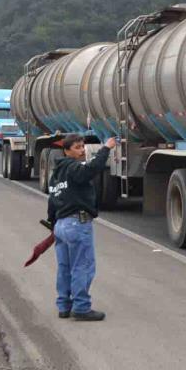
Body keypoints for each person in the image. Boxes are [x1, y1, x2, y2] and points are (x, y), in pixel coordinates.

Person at [47, 134, 116, 321]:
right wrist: (106, 148)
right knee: (82, 266)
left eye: (82, 147)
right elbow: (92, 169)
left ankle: (64, 306)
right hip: (77, 223)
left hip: (61, 225)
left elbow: (52, 200)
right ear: (67, 150)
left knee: (64, 268)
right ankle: (81, 308)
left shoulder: (57, 174)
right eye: (77, 147)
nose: (81, 150)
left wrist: (53, 224)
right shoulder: (73, 168)